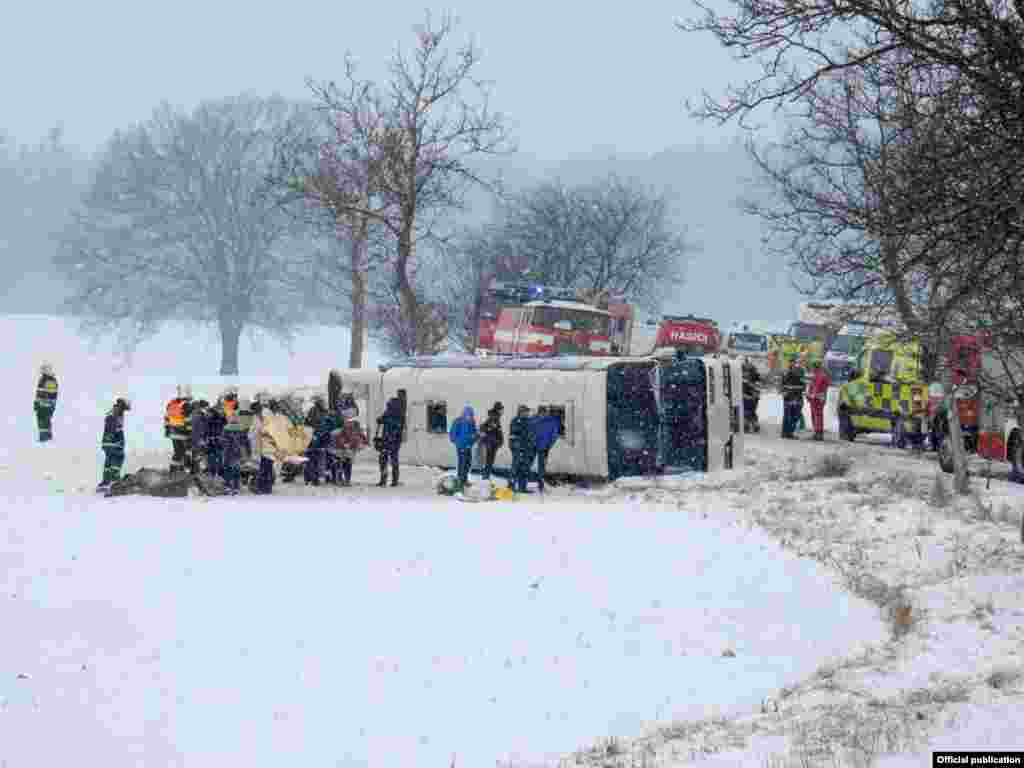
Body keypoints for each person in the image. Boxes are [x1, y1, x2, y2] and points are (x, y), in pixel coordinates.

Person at [97, 397, 131, 492]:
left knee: (109, 460)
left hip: (107, 443)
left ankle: (105, 482)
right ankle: (114, 481)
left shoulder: (113, 412)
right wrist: (118, 440)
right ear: (122, 405)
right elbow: (114, 428)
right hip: (114, 443)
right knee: (118, 458)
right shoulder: (117, 413)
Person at [330, 406, 369, 486]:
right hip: (341, 447)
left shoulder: (354, 424)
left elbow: (360, 433)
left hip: (349, 446)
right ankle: (340, 479)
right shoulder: (342, 424)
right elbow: (338, 435)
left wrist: (364, 441)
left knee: (346, 463)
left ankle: (345, 480)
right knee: (341, 463)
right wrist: (344, 443)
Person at [531, 406, 561, 493]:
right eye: (540, 412)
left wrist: (549, 445)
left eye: (544, 412)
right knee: (527, 463)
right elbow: (529, 431)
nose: (542, 414)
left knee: (542, 467)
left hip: (544, 448)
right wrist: (531, 441)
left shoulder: (552, 421)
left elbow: (554, 436)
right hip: (533, 446)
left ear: (546, 412)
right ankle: (523, 483)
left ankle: (540, 484)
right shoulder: (533, 419)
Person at [449, 405, 479, 491]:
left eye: (471, 415)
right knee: (462, 464)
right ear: (464, 414)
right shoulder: (458, 421)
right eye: (468, 414)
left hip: (468, 447)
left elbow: (474, 434)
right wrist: (458, 443)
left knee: (467, 464)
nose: (469, 416)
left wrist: (475, 438)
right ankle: (460, 482)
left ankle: (464, 480)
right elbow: (452, 435)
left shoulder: (472, 422)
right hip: (461, 447)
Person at [376, 396, 404, 487]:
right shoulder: (389, 412)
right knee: (384, 460)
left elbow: (397, 425)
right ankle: (384, 480)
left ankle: (393, 480)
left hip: (393, 441)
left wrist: (385, 420)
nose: (388, 405)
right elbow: (382, 419)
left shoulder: (398, 414)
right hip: (387, 440)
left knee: (392, 460)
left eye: (389, 404)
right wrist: (380, 419)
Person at [221, 402, 248, 495]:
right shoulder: (241, 429)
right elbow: (245, 442)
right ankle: (236, 487)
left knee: (228, 469)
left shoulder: (226, 429)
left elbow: (223, 441)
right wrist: (247, 452)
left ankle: (228, 486)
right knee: (236, 469)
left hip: (228, 452)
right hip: (237, 452)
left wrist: (225, 446)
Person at [165, 384, 193, 473]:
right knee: (186, 452)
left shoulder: (171, 404)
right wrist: (190, 432)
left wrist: (167, 430)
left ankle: (173, 470)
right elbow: (188, 420)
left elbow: (167, 418)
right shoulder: (186, 405)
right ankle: (184, 470)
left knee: (177, 452)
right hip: (183, 433)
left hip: (173, 432)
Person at [508, 405, 536, 492]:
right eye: (525, 412)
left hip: (527, 448)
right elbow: (513, 435)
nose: (527, 413)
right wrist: (516, 447)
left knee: (525, 468)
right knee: (515, 467)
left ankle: (522, 487)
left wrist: (531, 444)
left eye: (528, 412)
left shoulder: (529, 421)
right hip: (518, 448)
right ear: (520, 412)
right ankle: (511, 485)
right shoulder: (515, 421)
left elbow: (531, 434)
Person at [781, 359, 807, 439]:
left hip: (794, 397)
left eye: (793, 363)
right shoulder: (786, 373)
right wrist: (784, 392)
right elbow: (782, 385)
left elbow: (803, 386)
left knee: (792, 416)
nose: (792, 365)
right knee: (790, 416)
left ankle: (787, 432)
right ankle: (787, 433)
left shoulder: (798, 373)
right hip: (790, 397)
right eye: (790, 363)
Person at [34, 362, 59, 443]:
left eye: (43, 370)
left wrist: (42, 403)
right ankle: (43, 437)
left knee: (45, 421)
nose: (42, 372)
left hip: (46, 406)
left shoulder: (50, 380)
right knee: (41, 421)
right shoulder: (43, 379)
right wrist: (37, 402)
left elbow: (50, 395)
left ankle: (46, 438)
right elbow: (40, 392)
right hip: (42, 405)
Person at [807, 360, 832, 442]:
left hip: (816, 398)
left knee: (817, 416)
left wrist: (811, 395)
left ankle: (818, 433)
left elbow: (816, 387)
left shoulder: (820, 375)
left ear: (815, 366)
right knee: (818, 415)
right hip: (818, 398)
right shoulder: (820, 374)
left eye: (813, 366)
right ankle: (817, 432)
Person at [479, 402, 504, 480]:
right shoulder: (493, 418)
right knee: (489, 461)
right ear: (498, 409)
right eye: (501, 409)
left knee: (489, 461)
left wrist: (499, 440)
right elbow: (483, 428)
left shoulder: (495, 417)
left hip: (493, 443)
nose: (502, 411)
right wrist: (490, 434)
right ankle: (485, 477)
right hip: (491, 444)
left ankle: (486, 476)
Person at [205, 398, 227, 479]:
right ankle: (213, 473)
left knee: (219, 457)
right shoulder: (212, 416)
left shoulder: (221, 417)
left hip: (218, 440)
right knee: (214, 457)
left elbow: (224, 423)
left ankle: (217, 473)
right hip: (213, 440)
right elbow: (208, 427)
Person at [742, 358, 761, 433]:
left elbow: (758, 385)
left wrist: (755, 394)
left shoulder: (755, 374)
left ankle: (751, 425)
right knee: (749, 411)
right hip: (747, 395)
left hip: (752, 396)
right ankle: (749, 425)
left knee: (750, 411)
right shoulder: (741, 373)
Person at [190, 400, 210, 475]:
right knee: (200, 455)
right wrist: (202, 439)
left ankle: (195, 471)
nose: (207, 408)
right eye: (206, 407)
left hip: (196, 439)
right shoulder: (199, 416)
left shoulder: (196, 415)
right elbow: (200, 429)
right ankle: (200, 471)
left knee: (196, 455)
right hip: (199, 439)